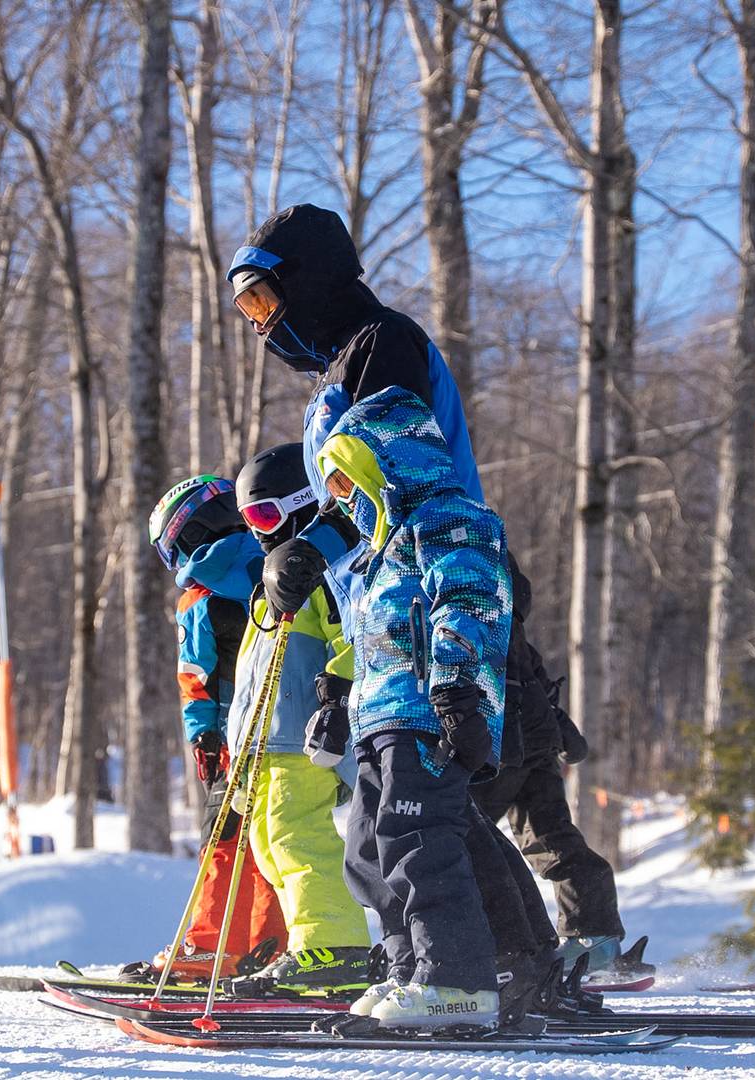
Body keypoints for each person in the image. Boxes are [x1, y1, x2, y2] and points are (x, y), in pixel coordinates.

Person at [228, 206, 593, 1008]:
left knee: (419, 816)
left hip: (437, 604)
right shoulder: (339, 372)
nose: (261, 327)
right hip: (384, 618)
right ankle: (490, 966)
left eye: (262, 299)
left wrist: (321, 543)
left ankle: (472, 971)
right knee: (390, 827)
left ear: (305, 279)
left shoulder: (379, 346)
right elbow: (361, 497)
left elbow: (395, 478)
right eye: (246, 311)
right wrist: (314, 560)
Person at [259, 384, 513, 1031]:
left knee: (419, 842)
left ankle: (456, 980)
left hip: (430, 713)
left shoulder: (450, 520)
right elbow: (367, 638)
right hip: (382, 719)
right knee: (367, 850)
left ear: (386, 465)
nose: (341, 500)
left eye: (347, 482)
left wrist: (457, 689)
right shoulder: (378, 551)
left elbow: (468, 603)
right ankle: (411, 968)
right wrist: (341, 697)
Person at [222, 444, 373, 996]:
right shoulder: (274, 588)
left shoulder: (323, 575)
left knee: (296, 838)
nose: (259, 531)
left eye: (264, 515)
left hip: (304, 740)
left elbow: (353, 640)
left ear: (302, 503)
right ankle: (310, 945)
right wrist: (238, 758)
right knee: (267, 845)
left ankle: (336, 945)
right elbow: (251, 685)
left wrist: (338, 701)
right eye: (249, 520)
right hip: (266, 745)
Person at [130, 474, 286, 982]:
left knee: (223, 839)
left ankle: (209, 948)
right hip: (287, 730)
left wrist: (202, 734)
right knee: (275, 839)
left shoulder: (198, 594)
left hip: (233, 734)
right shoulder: (280, 564)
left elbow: (196, 675)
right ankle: (274, 945)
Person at [474, 562, 627, 973]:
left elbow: (519, 680)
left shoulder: (471, 615)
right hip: (534, 741)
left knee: (468, 840)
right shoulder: (509, 625)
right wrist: (558, 727)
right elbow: (534, 679)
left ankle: (511, 948)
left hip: (502, 741)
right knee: (550, 837)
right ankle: (591, 937)